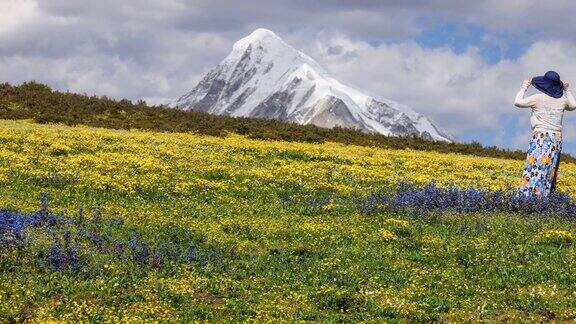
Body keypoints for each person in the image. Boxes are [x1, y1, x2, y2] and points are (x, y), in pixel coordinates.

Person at [514, 71, 576, 197]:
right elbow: (573, 105)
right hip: (556, 139)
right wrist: (567, 90)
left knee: (535, 168)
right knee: (549, 170)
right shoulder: (563, 100)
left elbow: (518, 102)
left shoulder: (538, 98)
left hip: (541, 137)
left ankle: (528, 199)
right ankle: (544, 199)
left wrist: (524, 86)